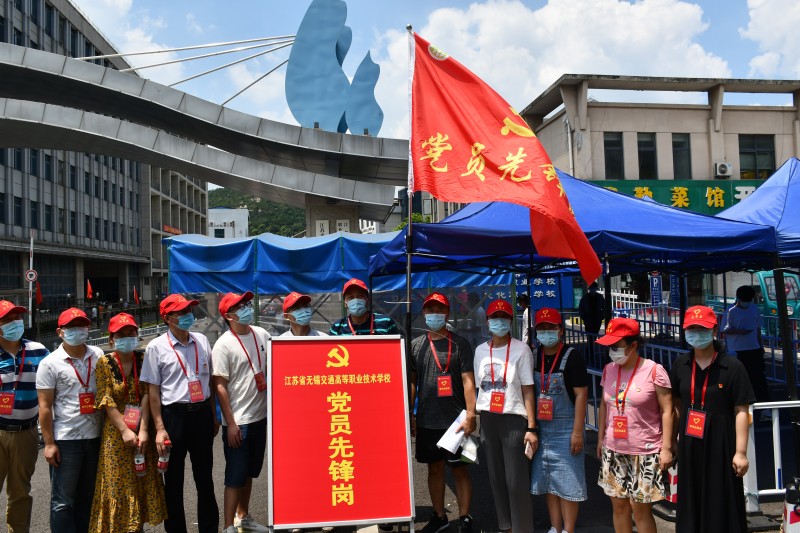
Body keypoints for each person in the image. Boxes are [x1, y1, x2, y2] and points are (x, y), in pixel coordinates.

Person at [669, 305, 754, 533]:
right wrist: (671, 442)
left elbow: (741, 410)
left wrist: (740, 452)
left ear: (715, 330)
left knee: (721, 499)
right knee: (690, 498)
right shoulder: (680, 365)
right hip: (689, 443)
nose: (696, 334)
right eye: (692, 329)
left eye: (702, 329)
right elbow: (676, 406)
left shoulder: (733, 367)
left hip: (721, 444)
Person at [140, 294, 220, 533]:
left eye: (189, 311)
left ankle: (209, 528)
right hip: (173, 417)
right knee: (173, 480)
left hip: (201, 414)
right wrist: (159, 428)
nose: (188, 316)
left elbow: (209, 381)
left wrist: (213, 415)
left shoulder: (202, 341)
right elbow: (153, 391)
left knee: (205, 477)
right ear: (168, 318)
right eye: (182, 312)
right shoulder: (156, 347)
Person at [89, 313, 167, 533]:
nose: (127, 337)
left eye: (131, 333)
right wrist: (124, 430)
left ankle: (137, 528)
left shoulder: (143, 359)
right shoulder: (104, 363)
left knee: (141, 479)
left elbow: (146, 393)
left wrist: (143, 430)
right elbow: (106, 399)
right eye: (121, 334)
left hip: (142, 429)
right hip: (116, 434)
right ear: (111, 339)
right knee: (117, 485)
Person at [595, 318, 673, 533]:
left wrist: (666, 448)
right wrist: (601, 438)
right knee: (619, 507)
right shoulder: (609, 369)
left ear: (633, 345)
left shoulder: (654, 371)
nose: (612, 351)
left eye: (616, 346)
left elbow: (667, 410)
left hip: (645, 451)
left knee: (640, 511)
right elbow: (604, 405)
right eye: (610, 346)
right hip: (614, 449)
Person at [409, 292, 476, 533]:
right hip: (427, 420)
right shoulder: (416, 345)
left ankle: (465, 517)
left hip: (456, 420)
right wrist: (411, 413)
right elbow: (413, 382)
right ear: (424, 313)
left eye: (440, 310)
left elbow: (468, 381)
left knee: (460, 469)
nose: (435, 314)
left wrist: (471, 414)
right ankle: (439, 516)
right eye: (430, 310)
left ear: (447, 313)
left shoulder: (460, 344)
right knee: (434, 468)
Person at [36, 307, 104, 533]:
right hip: (66, 440)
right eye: (71, 327)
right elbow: (45, 407)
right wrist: (49, 443)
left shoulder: (98, 355)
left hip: (95, 437)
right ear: (60, 332)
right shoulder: (50, 363)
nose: (78, 330)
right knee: (63, 501)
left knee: (88, 496)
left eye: (82, 326)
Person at [474, 299, 537, 533]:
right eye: (494, 317)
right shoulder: (480, 351)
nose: (499, 321)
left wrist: (531, 427)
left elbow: (528, 389)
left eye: (504, 317)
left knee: (515, 480)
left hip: (513, 418)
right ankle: (505, 526)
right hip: (488, 418)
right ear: (487, 321)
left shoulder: (521, 349)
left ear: (511, 321)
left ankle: (522, 528)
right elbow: (479, 387)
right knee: (496, 478)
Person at [212, 292, 270, 533]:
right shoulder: (223, 344)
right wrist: (231, 423)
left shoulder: (262, 334)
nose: (247, 308)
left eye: (247, 304)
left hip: (260, 417)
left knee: (249, 473)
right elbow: (219, 386)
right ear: (229, 316)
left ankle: (243, 517)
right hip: (239, 421)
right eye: (240, 306)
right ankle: (227, 527)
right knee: (234, 476)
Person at [530, 308, 589, 533]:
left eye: (551, 328)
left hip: (566, 428)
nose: (546, 332)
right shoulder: (534, 355)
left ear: (560, 330)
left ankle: (568, 529)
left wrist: (577, 432)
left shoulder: (572, 356)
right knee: (548, 482)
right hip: (542, 429)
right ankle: (555, 527)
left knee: (568, 482)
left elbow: (582, 395)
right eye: (542, 328)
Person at [0, 301, 49, 533]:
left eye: (17, 318)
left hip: (26, 432)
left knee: (20, 491)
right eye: (7, 320)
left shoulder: (38, 351)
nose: (15, 323)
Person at [723, 285, 769, 403]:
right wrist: (740, 331)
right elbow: (724, 330)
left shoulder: (754, 309)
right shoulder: (730, 311)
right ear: (738, 298)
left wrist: (761, 345)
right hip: (736, 350)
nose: (747, 302)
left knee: (758, 378)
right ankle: (741, 403)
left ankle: (763, 404)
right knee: (739, 378)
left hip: (754, 348)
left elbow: (758, 329)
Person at [329, 278, 399, 336]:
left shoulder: (386, 322)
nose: (356, 300)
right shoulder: (337, 327)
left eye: (360, 296)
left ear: (367, 300)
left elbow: (397, 347)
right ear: (345, 303)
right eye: (350, 297)